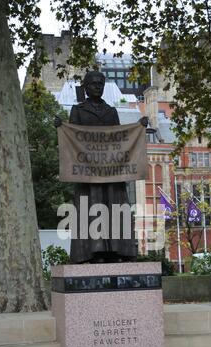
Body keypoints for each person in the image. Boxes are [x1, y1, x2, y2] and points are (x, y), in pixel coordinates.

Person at [55, 70, 148, 264]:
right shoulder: (78, 111)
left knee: (115, 207)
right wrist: (61, 127)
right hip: (88, 174)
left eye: (100, 83)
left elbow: (120, 139)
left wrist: (139, 127)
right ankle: (93, 252)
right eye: (93, 84)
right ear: (86, 88)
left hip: (112, 173)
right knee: (91, 208)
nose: (97, 86)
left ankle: (117, 250)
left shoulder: (111, 111)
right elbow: (73, 140)